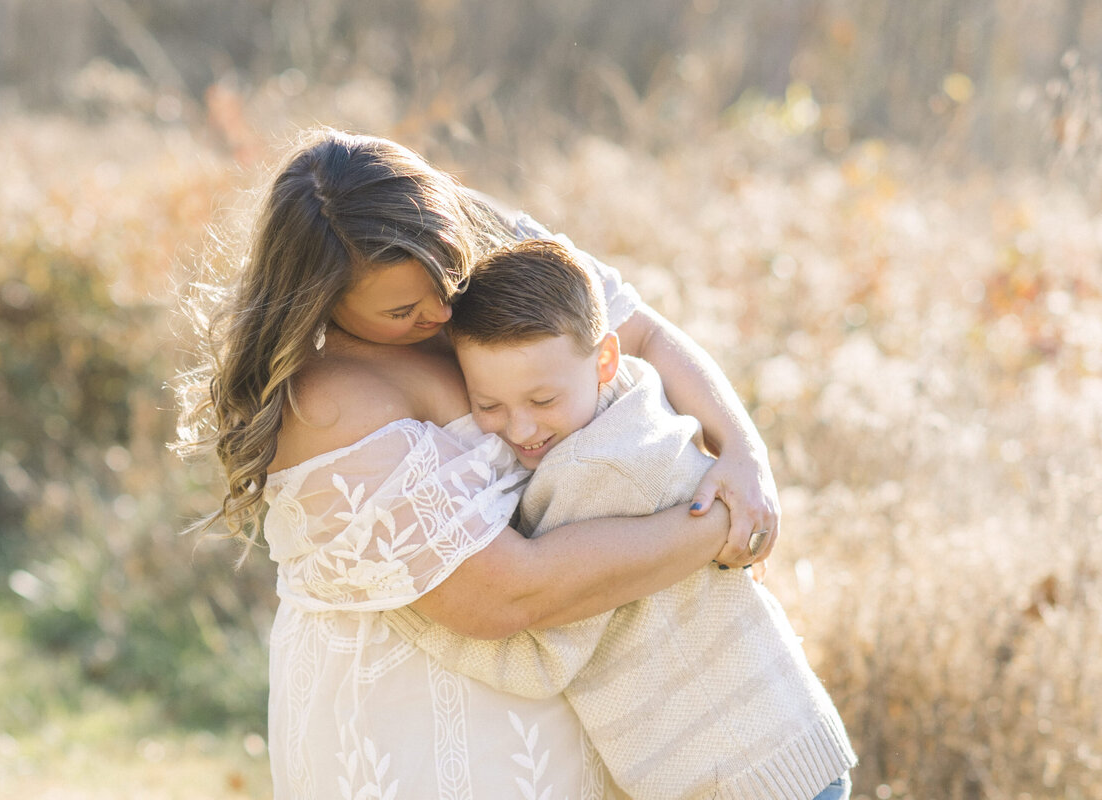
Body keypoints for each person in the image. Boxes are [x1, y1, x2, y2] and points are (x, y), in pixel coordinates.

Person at [175, 128, 783, 799]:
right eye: (402, 310)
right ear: (322, 301)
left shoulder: (482, 240)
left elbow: (638, 333)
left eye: (447, 278)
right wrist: (717, 525)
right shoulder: (327, 404)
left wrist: (744, 455)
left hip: (568, 717)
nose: (442, 312)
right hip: (410, 739)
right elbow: (503, 593)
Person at [386, 239, 856, 800]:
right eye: (490, 406)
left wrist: (407, 601)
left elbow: (540, 657)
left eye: (541, 400)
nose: (520, 429)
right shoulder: (637, 408)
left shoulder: (592, 475)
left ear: (604, 358)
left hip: (735, 776)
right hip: (785, 742)